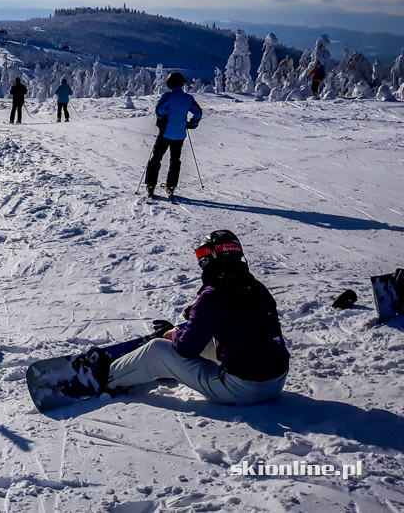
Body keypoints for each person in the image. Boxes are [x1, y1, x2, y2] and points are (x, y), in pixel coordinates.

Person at [102, 230, 290, 404]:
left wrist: (173, 334)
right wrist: (196, 319)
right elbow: (239, 320)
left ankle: (104, 377)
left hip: (242, 389)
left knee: (157, 348)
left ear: (213, 257)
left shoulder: (213, 295)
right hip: (276, 381)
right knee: (203, 335)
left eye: (203, 255)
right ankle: (163, 366)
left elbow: (186, 349)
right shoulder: (256, 288)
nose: (201, 262)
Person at [145, 72, 201, 199]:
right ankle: (170, 187)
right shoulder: (188, 99)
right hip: (179, 135)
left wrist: (162, 119)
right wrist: (192, 124)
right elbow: (198, 113)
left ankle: (150, 185)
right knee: (175, 161)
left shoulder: (168, 96)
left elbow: (158, 109)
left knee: (156, 159)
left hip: (165, 133)